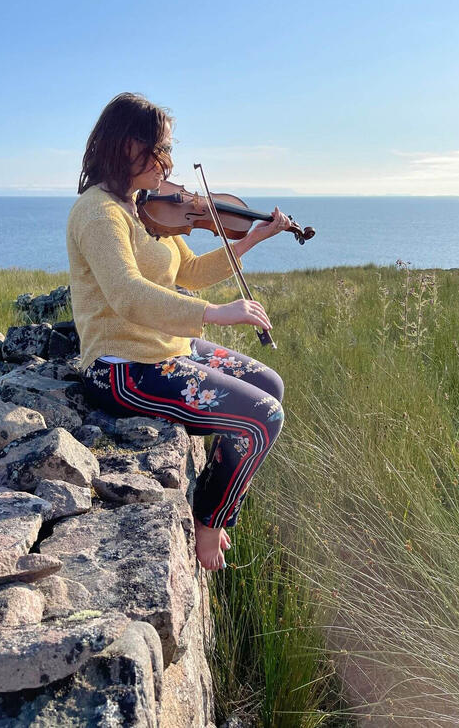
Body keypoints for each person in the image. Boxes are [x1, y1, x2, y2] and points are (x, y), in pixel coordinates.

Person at [66, 92, 289, 571]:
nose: (168, 160)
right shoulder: (98, 212)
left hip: (167, 349)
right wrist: (216, 313)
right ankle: (211, 519)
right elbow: (126, 294)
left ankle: (214, 494)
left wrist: (251, 239)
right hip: (123, 366)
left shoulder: (143, 208)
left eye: (168, 148)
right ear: (127, 145)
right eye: (160, 148)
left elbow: (189, 271)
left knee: (271, 385)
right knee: (263, 417)